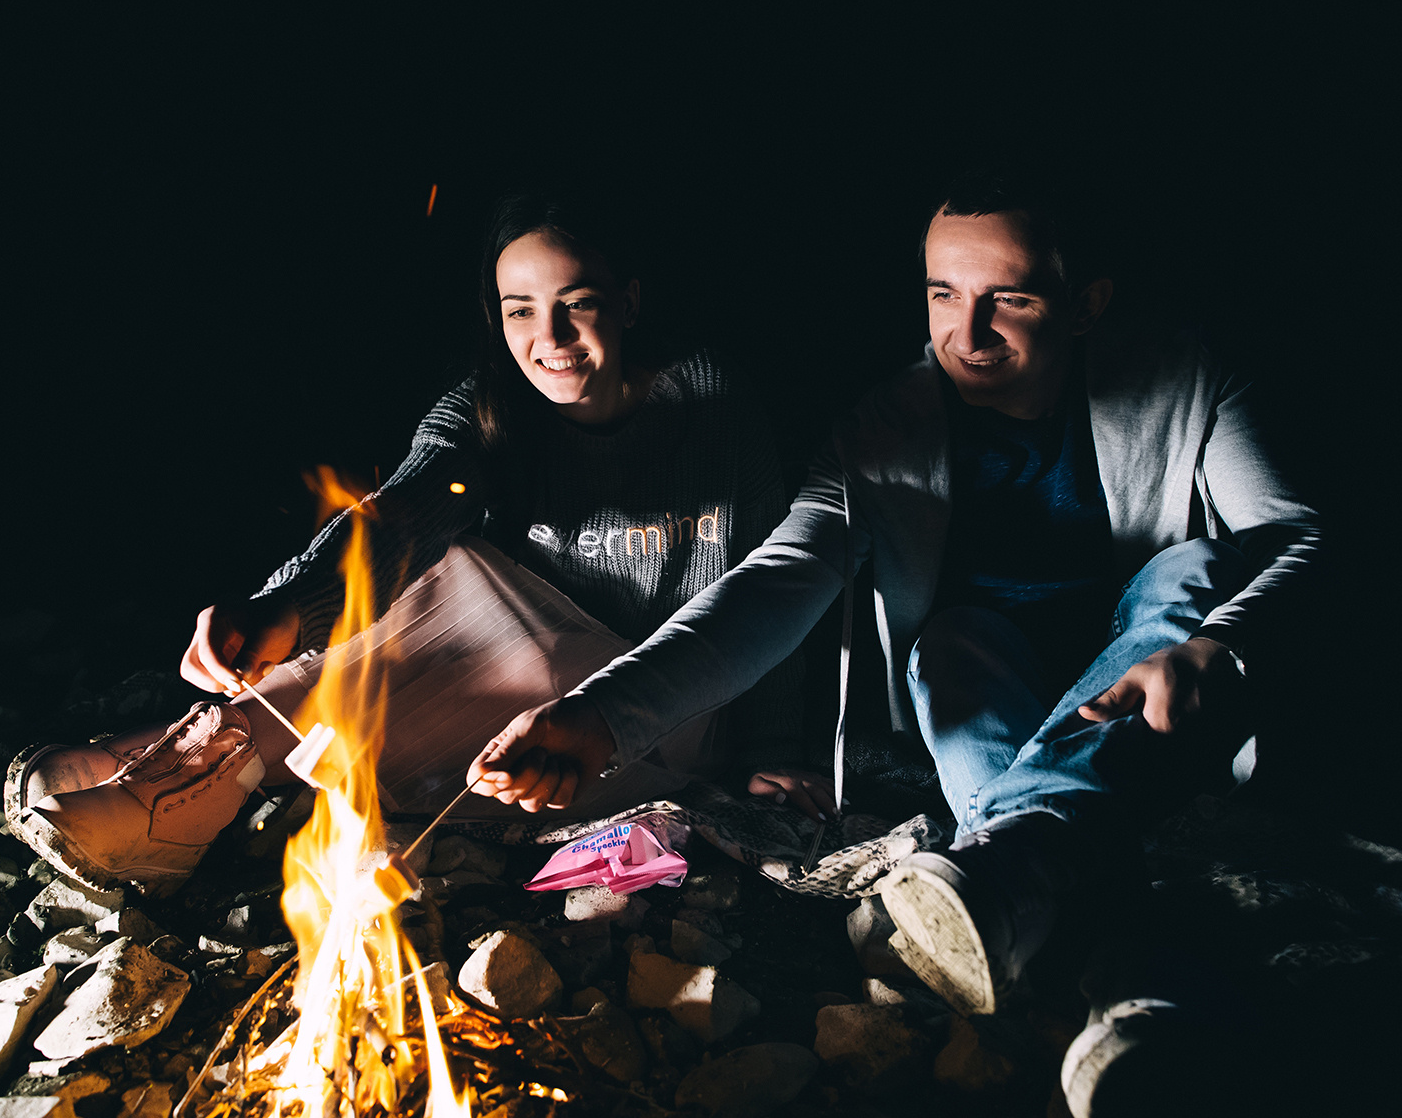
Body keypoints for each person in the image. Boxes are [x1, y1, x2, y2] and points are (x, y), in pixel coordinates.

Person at [467, 166, 1320, 1019]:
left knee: (1189, 572)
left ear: (1086, 304)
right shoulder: (879, 432)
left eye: (1010, 300)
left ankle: (1011, 877)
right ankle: (1121, 983)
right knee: (951, 641)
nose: (968, 331)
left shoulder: (1186, 378)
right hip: (986, 694)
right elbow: (775, 584)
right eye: (943, 294)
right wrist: (603, 716)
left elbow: (1295, 536)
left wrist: (1220, 643)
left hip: (1145, 693)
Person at [3, 192, 828, 895]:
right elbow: (403, 513)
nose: (552, 336)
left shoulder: (711, 403)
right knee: (433, 571)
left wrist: (777, 749)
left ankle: (193, 784)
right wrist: (286, 605)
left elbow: (773, 582)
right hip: (497, 672)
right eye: (520, 311)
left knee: (483, 609)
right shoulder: (489, 406)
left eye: (577, 302)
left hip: (646, 708)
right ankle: (190, 759)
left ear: (629, 302)